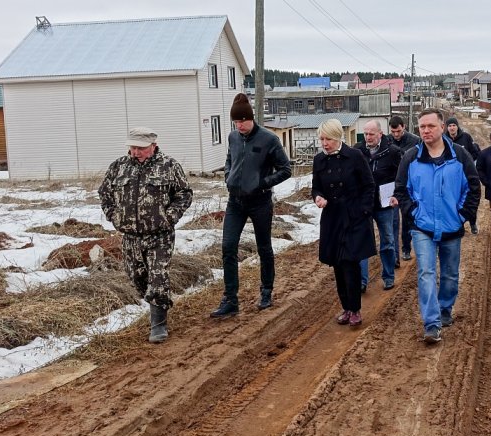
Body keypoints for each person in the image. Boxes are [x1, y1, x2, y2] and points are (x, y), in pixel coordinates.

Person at [99, 127, 193, 343]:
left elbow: (184, 194)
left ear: (153, 146)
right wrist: (114, 216)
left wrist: (169, 216)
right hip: (130, 236)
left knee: (157, 277)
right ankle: (154, 304)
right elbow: (105, 194)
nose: (136, 152)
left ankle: (158, 325)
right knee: (137, 276)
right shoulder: (119, 167)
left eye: (140, 148)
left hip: (160, 235)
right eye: (133, 148)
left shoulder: (169, 166)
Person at [394, 108, 480, 343]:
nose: (426, 130)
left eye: (431, 126)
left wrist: (462, 215)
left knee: (450, 274)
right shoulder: (411, 157)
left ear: (442, 127)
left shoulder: (459, 155)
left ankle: (445, 308)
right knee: (426, 272)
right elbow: (401, 190)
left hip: (452, 226)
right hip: (422, 227)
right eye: (422, 126)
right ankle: (431, 323)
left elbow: (473, 187)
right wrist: (414, 212)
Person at [211, 93, 292, 318]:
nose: (239, 126)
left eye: (242, 121)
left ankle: (266, 291)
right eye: (236, 122)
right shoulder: (233, 137)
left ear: (251, 118)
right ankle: (230, 299)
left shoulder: (269, 139)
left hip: (260, 202)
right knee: (228, 247)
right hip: (235, 201)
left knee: (264, 247)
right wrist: (228, 176)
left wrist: (262, 183)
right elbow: (230, 159)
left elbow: (286, 169)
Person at [312, 119, 377, 327]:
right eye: (322, 139)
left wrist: (363, 211)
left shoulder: (355, 156)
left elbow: (369, 185)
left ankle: (355, 309)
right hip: (332, 219)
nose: (325, 143)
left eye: (328, 139)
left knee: (350, 263)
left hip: (353, 218)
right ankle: (346, 307)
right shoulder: (319, 160)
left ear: (338, 137)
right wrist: (318, 197)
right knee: (337, 264)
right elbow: (316, 187)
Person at [356, 120, 401, 291]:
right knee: (362, 242)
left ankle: (388, 276)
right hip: (364, 204)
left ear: (380, 134)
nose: (368, 137)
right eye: (366, 134)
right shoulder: (357, 151)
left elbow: (401, 176)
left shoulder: (392, 152)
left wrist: (397, 194)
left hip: (384, 204)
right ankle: (361, 281)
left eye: (371, 134)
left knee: (387, 240)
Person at [388, 115, 421, 266]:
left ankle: (406, 248)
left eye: (398, 131)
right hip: (392, 185)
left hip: (409, 185)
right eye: (393, 131)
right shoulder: (387, 141)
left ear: (404, 127)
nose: (396, 134)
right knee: (393, 220)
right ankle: (394, 255)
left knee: (407, 217)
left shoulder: (415, 141)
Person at [443, 117, 480, 234]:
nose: (452, 128)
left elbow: (474, 153)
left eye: (454, 125)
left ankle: (473, 222)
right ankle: (460, 224)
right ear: (446, 128)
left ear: (457, 126)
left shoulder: (466, 137)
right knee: (456, 200)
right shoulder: (444, 139)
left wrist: (468, 163)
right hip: (452, 175)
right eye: (450, 126)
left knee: (469, 198)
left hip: (466, 173)